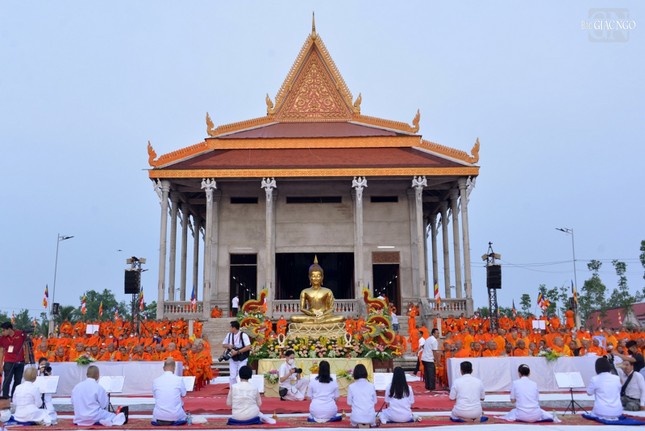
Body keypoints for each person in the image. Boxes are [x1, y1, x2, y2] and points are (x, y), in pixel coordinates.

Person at [291, 256, 343, 324]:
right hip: (311, 315)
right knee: (293, 318)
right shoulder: (305, 291)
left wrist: (322, 315)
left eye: (318, 276)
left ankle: (318, 321)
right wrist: (312, 314)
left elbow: (331, 308)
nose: (315, 278)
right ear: (309, 277)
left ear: (322, 277)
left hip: (324, 315)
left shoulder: (328, 291)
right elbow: (302, 308)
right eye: (313, 276)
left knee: (341, 317)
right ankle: (318, 321)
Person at [152, 358, 187, 424]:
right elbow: (184, 394)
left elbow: (155, 396)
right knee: (180, 402)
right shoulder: (179, 380)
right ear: (174, 368)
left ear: (163, 368)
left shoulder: (156, 381)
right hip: (175, 416)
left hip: (159, 416)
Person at [0, 321, 27, 398]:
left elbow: (26, 344)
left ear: (9, 329)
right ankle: (5, 397)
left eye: (4, 330)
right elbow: (1, 351)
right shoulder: (2, 338)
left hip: (20, 361)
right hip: (8, 361)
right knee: (7, 380)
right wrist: (0, 365)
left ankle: (14, 397)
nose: (2, 332)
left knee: (18, 380)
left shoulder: (20, 334)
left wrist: (27, 356)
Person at [222, 320, 252, 387]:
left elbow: (248, 347)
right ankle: (233, 389)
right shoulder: (229, 335)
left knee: (241, 374)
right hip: (233, 357)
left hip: (242, 358)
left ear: (234, 328)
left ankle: (241, 388)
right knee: (232, 375)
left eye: (230, 327)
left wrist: (237, 352)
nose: (229, 328)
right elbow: (223, 345)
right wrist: (229, 346)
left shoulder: (243, 335)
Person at [37, 357, 58, 424]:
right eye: (41, 364)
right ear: (38, 365)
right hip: (38, 392)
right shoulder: (36, 371)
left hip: (47, 392)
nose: (43, 366)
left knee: (49, 406)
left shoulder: (49, 370)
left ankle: (50, 417)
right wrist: (40, 372)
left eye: (44, 364)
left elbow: (52, 382)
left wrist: (48, 374)